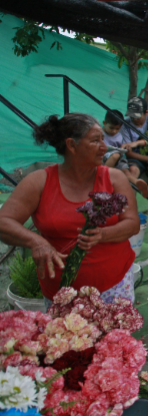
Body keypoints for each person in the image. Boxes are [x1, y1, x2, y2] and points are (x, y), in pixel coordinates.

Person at [0, 113, 140, 304]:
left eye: (103, 140)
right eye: (95, 141)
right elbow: (4, 222)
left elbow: (132, 224)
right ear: (72, 145)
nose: (104, 147)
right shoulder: (39, 182)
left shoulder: (114, 178)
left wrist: (103, 234)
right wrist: (35, 241)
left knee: (116, 335)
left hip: (113, 288)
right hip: (61, 294)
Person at [101, 110, 148, 198]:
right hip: (105, 158)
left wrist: (126, 147)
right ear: (104, 123)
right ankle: (101, 177)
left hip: (119, 158)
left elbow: (123, 146)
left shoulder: (119, 135)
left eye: (117, 129)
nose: (114, 131)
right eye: (111, 128)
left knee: (126, 171)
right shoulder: (100, 134)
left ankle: (137, 183)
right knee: (115, 155)